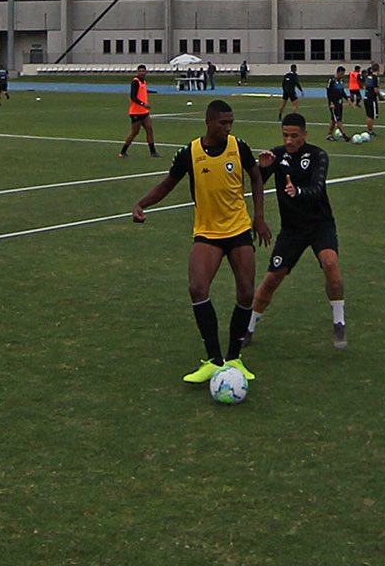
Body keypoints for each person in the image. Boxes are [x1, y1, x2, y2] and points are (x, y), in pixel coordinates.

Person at [131, 99, 267, 385]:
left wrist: (259, 217)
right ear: (209, 122)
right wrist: (142, 203)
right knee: (197, 288)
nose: (228, 128)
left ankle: (234, 358)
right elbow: (168, 183)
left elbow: (256, 178)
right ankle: (213, 359)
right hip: (207, 232)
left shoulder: (238, 147)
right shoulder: (190, 153)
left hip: (239, 229)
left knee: (245, 293)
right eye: (223, 123)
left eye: (231, 122)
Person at [246, 112, 347, 351]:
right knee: (273, 278)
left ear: (304, 134)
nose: (289, 141)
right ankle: (248, 328)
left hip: (320, 224)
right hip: (292, 229)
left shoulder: (318, 155)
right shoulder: (277, 155)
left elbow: (317, 187)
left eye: (294, 136)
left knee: (330, 262)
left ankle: (339, 320)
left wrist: (297, 191)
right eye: (285, 136)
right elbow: (256, 184)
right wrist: (261, 169)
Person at [120, 65, 158, 157]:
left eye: (143, 71)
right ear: (138, 72)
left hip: (144, 112)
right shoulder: (135, 82)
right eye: (140, 71)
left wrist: (150, 92)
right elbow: (133, 96)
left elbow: (142, 91)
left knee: (149, 130)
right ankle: (123, 151)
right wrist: (143, 104)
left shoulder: (143, 82)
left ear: (146, 72)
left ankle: (153, 152)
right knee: (134, 132)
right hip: (136, 112)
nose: (142, 73)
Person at [324, 66, 350, 141]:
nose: (342, 75)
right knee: (338, 119)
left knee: (334, 119)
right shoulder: (331, 81)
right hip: (334, 103)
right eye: (341, 74)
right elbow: (329, 93)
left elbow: (342, 92)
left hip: (339, 102)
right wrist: (331, 102)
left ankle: (329, 135)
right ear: (338, 72)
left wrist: (347, 99)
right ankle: (345, 135)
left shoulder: (341, 81)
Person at [362, 62, 382, 135]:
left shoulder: (368, 77)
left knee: (369, 115)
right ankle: (370, 131)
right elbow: (375, 90)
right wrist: (380, 97)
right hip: (371, 98)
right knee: (371, 116)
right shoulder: (375, 78)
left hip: (366, 97)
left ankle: (370, 130)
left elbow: (365, 86)